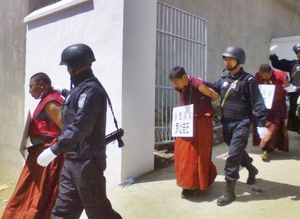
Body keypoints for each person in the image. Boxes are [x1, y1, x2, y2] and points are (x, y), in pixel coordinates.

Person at [36, 43, 122, 219]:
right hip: (73, 161)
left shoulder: (91, 91)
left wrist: (54, 149)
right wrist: (65, 91)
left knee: (98, 212)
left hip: (88, 163)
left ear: (71, 68)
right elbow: (79, 104)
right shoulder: (82, 89)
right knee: (63, 211)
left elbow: (80, 127)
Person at [206, 46, 268, 206]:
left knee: (233, 156)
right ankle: (252, 169)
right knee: (237, 151)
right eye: (225, 59)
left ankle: (229, 191)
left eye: (230, 59)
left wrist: (261, 123)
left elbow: (258, 102)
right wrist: (196, 82)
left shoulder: (248, 81)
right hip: (226, 124)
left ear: (239, 61)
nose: (227, 62)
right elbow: (213, 86)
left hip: (242, 123)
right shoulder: (225, 80)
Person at [2, 73, 65, 219]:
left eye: (32, 86)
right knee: (29, 196)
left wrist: (52, 151)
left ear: (42, 84)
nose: (30, 91)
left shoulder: (51, 102)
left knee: (38, 197)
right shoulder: (47, 100)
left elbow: (66, 129)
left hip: (49, 158)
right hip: (39, 155)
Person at [169, 66, 219, 199]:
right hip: (186, 122)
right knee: (182, 153)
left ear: (184, 77)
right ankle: (187, 183)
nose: (176, 85)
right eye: (174, 83)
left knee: (198, 153)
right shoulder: (179, 86)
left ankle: (198, 184)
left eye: (177, 82)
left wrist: (203, 104)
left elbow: (214, 96)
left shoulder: (199, 85)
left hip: (201, 122)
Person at [252, 64, 289, 161]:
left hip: (277, 107)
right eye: (262, 75)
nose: (264, 77)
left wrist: (287, 83)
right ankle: (268, 147)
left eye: (266, 75)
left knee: (273, 127)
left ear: (271, 72)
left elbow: (287, 86)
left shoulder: (280, 76)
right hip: (263, 107)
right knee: (262, 125)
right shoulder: (258, 77)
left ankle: (266, 148)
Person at [269, 44, 300, 133]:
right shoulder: (293, 64)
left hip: (296, 90)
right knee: (295, 113)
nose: (299, 55)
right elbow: (277, 64)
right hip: (295, 95)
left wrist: (296, 88)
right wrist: (273, 55)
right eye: (297, 53)